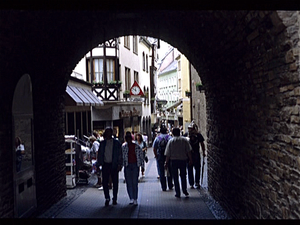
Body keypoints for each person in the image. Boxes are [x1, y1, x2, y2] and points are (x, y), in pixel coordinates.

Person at [97, 127, 122, 206]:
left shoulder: (116, 143)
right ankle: (107, 197)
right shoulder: (102, 143)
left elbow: (120, 154)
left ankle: (115, 198)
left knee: (115, 182)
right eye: (106, 132)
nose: (107, 134)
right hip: (105, 164)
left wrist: (119, 164)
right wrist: (99, 163)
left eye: (109, 132)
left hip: (114, 164)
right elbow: (100, 154)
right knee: (105, 182)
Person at [165, 128, 193, 198]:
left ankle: (178, 192)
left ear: (173, 133)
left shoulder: (171, 141)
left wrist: (166, 162)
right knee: (183, 176)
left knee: (175, 177)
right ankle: (184, 190)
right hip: (183, 160)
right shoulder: (184, 140)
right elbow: (189, 151)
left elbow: (168, 153)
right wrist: (191, 160)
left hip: (173, 161)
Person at [122, 131, 144, 205]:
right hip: (128, 165)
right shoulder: (124, 147)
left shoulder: (136, 147)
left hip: (135, 165)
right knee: (129, 182)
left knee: (134, 182)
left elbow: (141, 157)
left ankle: (135, 198)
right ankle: (131, 198)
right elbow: (122, 157)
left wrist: (142, 166)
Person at [185, 121, 206, 189]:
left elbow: (202, 144)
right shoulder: (187, 135)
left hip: (195, 154)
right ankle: (192, 182)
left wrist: (203, 152)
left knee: (197, 168)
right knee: (191, 169)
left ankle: (196, 182)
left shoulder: (198, 135)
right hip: (189, 154)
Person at [152, 124, 173, 191]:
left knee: (161, 172)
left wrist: (156, 155)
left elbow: (154, 148)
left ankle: (163, 186)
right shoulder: (169, 137)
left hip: (160, 156)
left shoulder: (157, 138)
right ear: (166, 131)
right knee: (169, 170)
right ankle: (170, 185)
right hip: (168, 156)